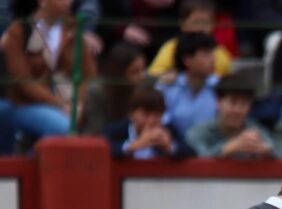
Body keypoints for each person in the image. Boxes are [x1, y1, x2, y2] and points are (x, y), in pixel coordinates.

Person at [2, 0, 98, 145]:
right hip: (26, 104)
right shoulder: (19, 30)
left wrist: (77, 105)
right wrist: (58, 104)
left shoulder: (73, 29)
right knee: (63, 128)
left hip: (68, 102)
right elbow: (22, 80)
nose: (68, 2)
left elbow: (88, 75)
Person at [186, 73, 276, 158]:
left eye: (244, 104)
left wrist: (267, 152)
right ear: (218, 102)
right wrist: (230, 147)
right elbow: (199, 158)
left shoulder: (256, 131)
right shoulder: (199, 132)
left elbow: (277, 151)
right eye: (233, 102)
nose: (237, 110)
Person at [147, 0, 234, 80]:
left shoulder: (220, 52)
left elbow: (228, 81)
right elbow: (153, 75)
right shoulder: (171, 48)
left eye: (206, 23)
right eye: (196, 22)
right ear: (183, 24)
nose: (201, 28)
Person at [156, 31, 219, 138]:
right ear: (187, 60)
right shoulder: (168, 86)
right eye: (206, 54)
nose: (213, 59)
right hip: (174, 143)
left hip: (212, 145)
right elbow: (161, 121)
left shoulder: (220, 85)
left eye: (212, 53)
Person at [105, 85, 194, 159]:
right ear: (131, 113)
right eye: (145, 114)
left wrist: (169, 147)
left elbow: (191, 151)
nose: (151, 121)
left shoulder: (169, 129)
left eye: (157, 115)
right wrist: (134, 145)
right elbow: (106, 150)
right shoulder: (114, 130)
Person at [79, 41, 146, 136]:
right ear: (119, 73)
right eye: (135, 72)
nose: (142, 76)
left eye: (143, 70)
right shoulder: (97, 91)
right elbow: (97, 129)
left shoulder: (141, 87)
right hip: (101, 139)